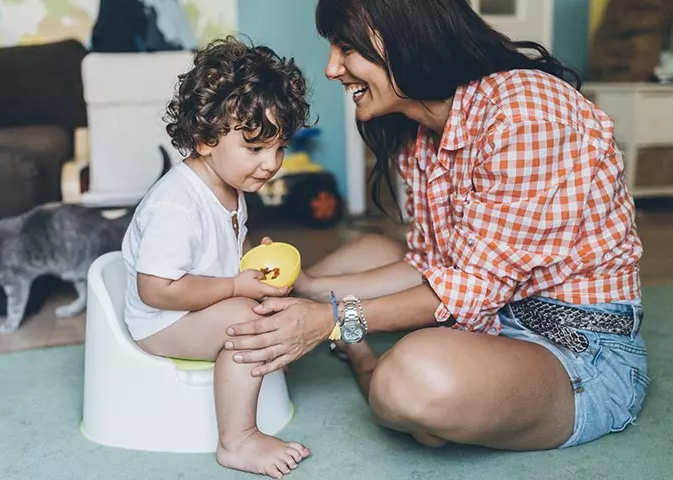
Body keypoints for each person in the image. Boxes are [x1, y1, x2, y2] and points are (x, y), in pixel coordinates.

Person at [223, 0, 648, 452]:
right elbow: (431, 264)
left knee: (410, 383)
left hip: (579, 352)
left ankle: (366, 362)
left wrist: (329, 320)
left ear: (407, 36)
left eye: (346, 48)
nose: (332, 69)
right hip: (485, 321)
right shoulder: (422, 131)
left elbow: (470, 288)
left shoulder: (526, 115)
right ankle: (357, 341)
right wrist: (309, 287)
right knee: (372, 251)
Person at [121, 37, 311, 478]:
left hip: (195, 305)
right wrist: (234, 287)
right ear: (206, 138)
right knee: (252, 321)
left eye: (279, 147)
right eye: (255, 148)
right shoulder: (176, 204)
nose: (271, 164)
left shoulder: (230, 185)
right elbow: (155, 289)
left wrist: (249, 266)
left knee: (269, 304)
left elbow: (223, 250)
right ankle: (238, 440)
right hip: (160, 322)